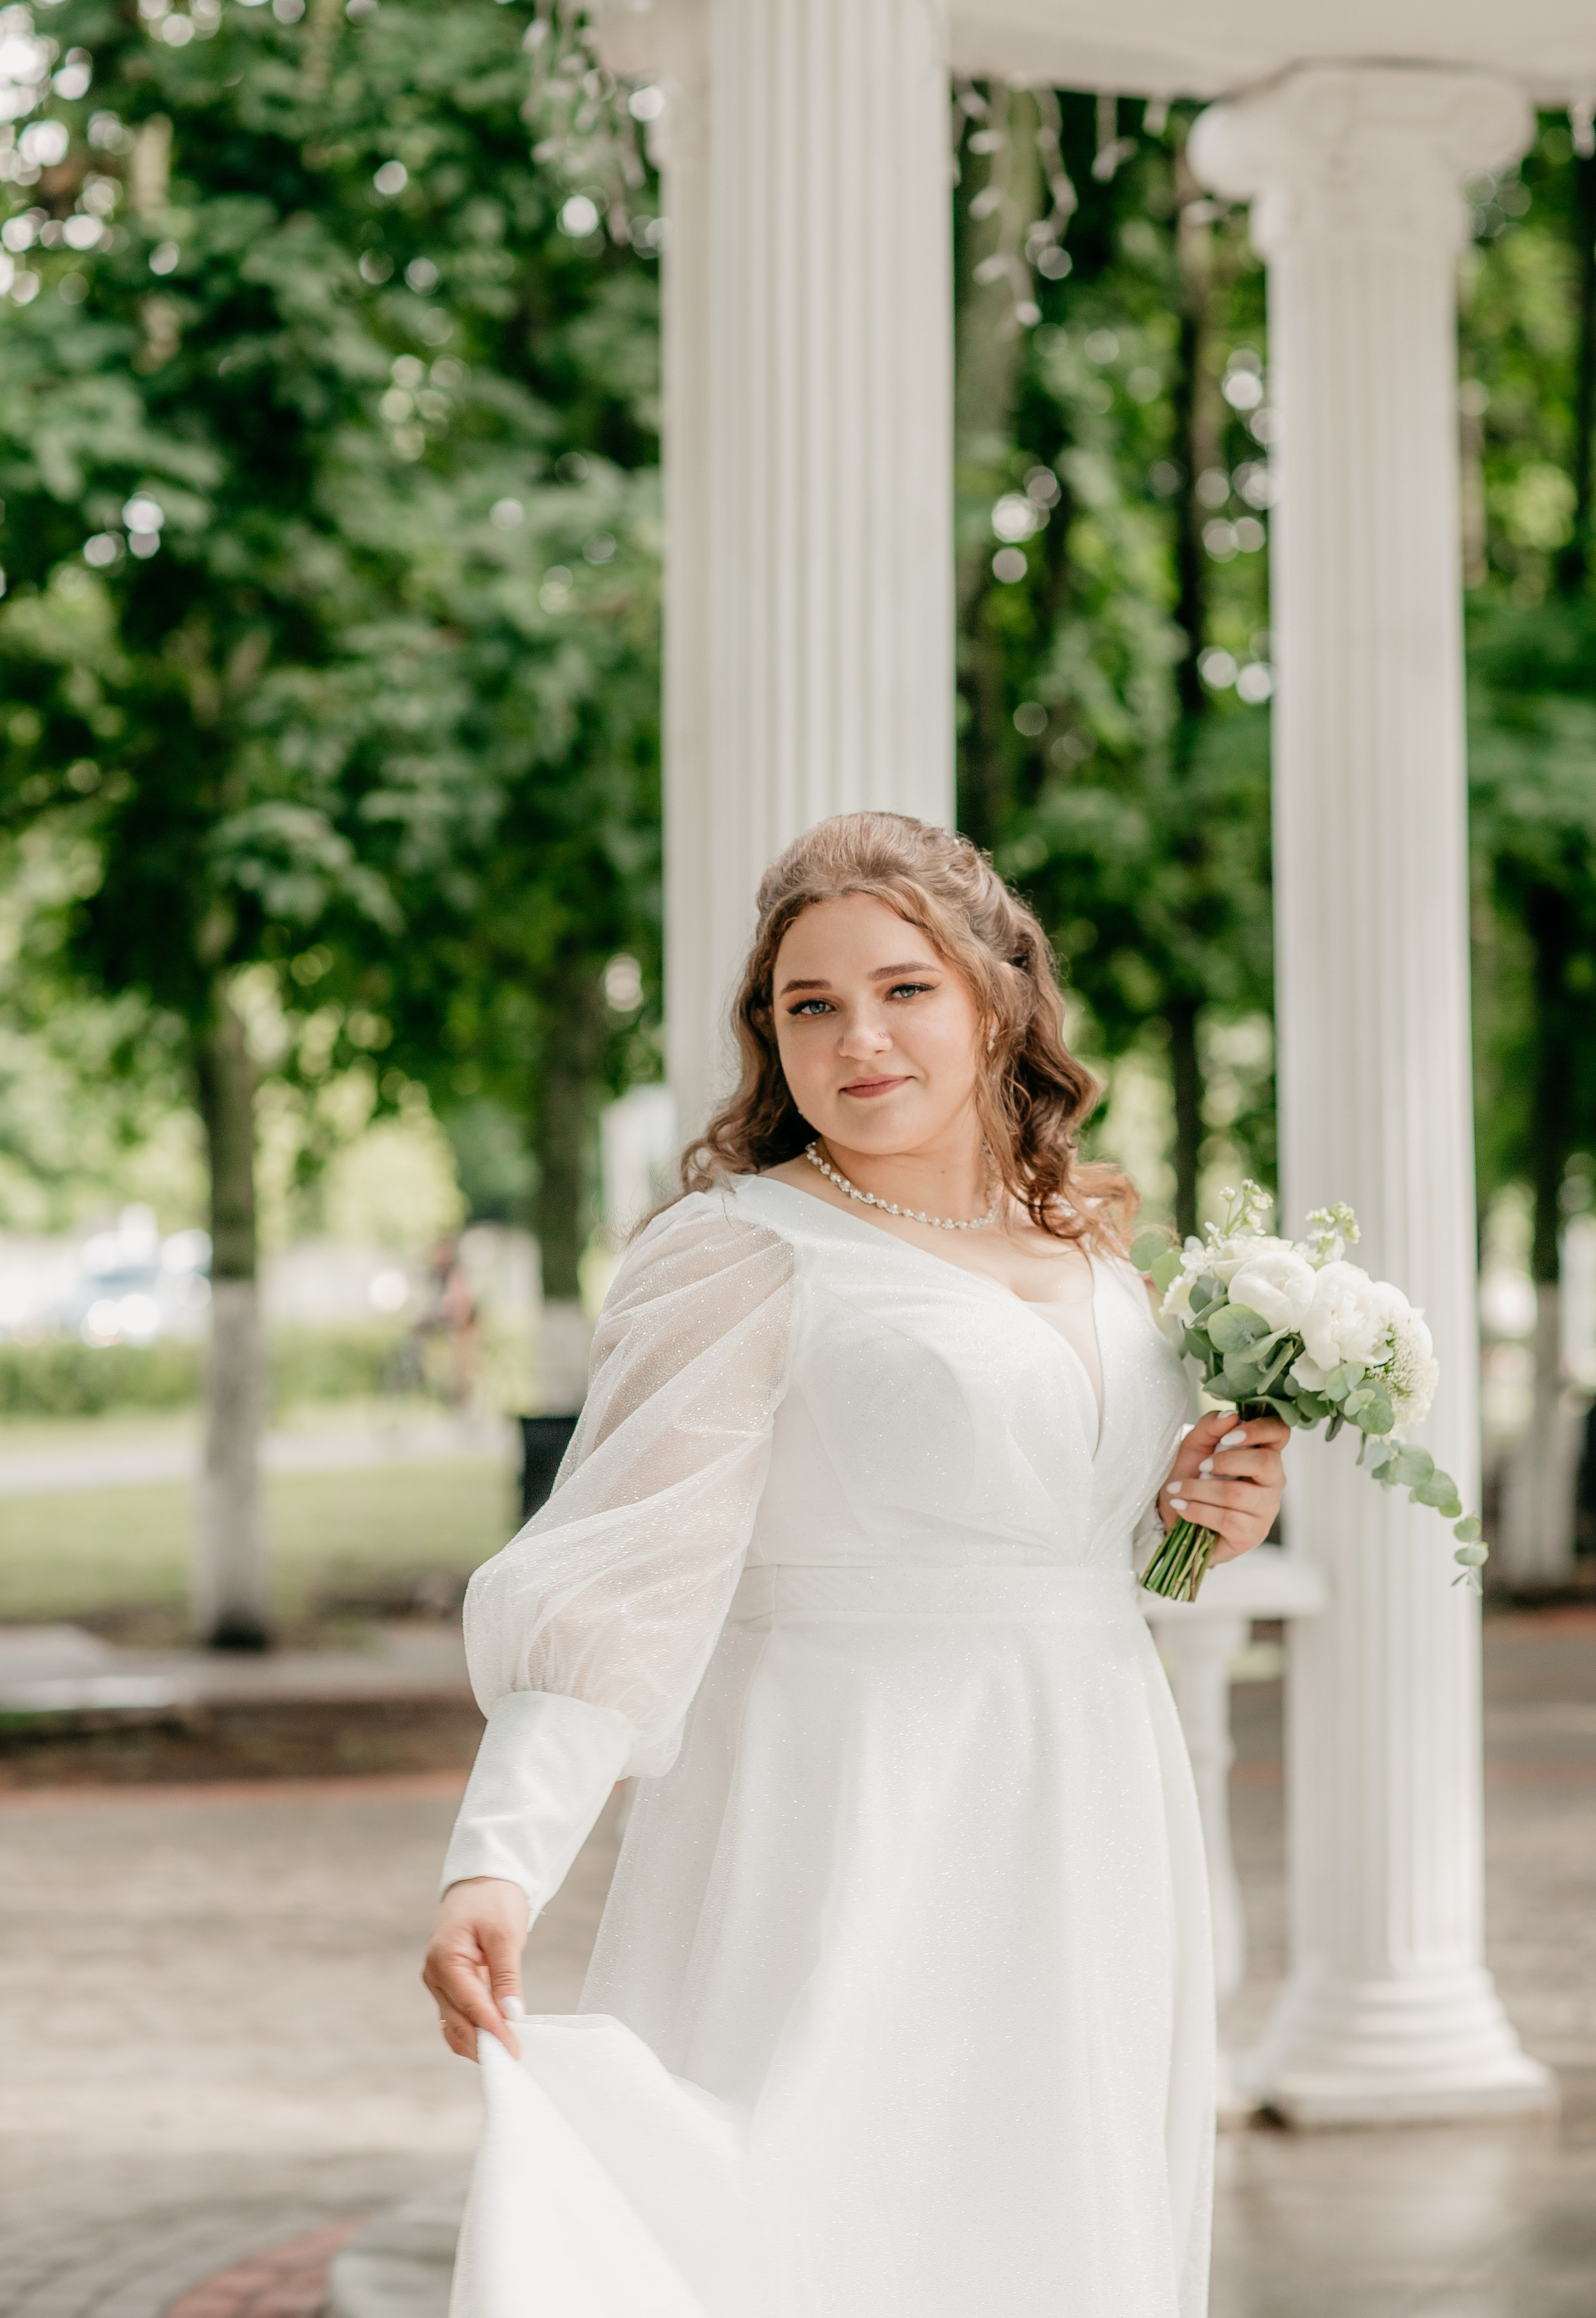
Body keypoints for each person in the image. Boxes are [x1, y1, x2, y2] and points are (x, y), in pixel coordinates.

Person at [423, 813, 1287, 2318]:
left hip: (1085, 1795)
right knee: (833, 2215)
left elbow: (1075, 1537)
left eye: (902, 990)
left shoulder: (1090, 1249)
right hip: (852, 1805)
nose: (856, 1039)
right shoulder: (743, 1249)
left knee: (1053, 2210)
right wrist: (501, 1855)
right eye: (806, 1006)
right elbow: (628, 1566)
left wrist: (1204, 1515)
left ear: (993, 1001)